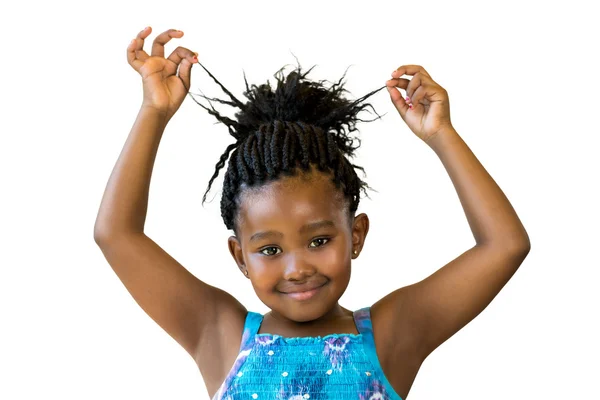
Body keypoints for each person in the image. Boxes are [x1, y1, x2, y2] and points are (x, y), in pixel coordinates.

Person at [93, 26, 531, 400]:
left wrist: (441, 134)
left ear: (356, 234)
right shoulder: (219, 333)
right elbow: (116, 235)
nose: (298, 267)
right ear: (239, 256)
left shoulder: (393, 334)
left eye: (319, 241)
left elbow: (505, 246)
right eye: (269, 249)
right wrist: (154, 112)